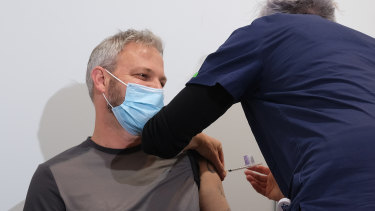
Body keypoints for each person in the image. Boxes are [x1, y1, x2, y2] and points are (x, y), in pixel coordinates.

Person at [141, 0, 375, 210]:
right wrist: (290, 187)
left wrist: (199, 139)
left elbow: (162, 136)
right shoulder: (368, 45)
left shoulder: (267, 32)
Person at [24, 29, 230, 211]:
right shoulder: (55, 178)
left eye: (162, 82)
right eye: (143, 76)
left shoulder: (191, 157)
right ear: (102, 80)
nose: (157, 89)